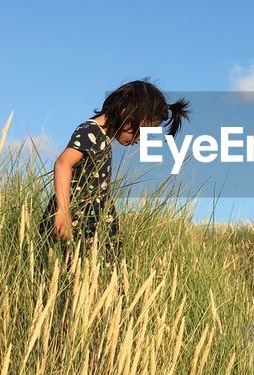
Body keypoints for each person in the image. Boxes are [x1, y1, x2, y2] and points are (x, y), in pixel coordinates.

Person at [40, 80, 190, 261]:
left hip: (94, 224)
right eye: (140, 132)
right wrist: (63, 211)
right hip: (75, 221)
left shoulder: (103, 141)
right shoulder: (91, 132)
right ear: (126, 114)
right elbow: (63, 164)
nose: (140, 139)